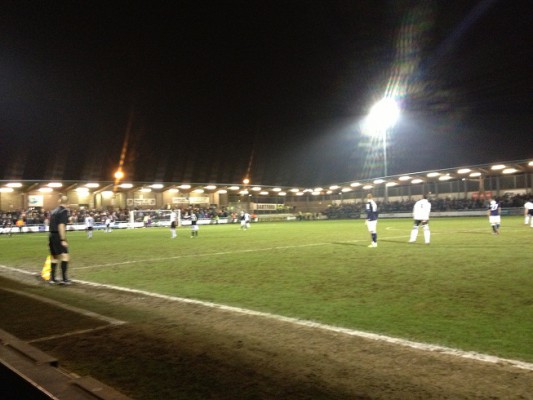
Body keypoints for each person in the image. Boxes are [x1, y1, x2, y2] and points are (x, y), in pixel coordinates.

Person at [48, 195, 71, 284]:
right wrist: (63, 239)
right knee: (65, 256)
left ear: (59, 201)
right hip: (58, 236)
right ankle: (64, 279)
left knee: (54, 256)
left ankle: (52, 278)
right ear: (67, 203)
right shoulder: (64, 211)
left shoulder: (54, 211)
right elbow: (61, 226)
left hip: (51, 235)